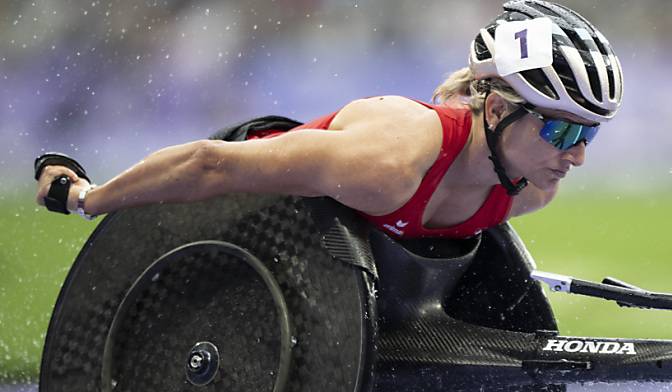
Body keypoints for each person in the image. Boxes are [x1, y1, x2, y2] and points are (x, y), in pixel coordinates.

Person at [34, 0, 623, 239]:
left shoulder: (527, 194)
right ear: (496, 109)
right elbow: (212, 165)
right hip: (245, 203)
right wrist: (88, 197)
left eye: (587, 133)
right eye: (562, 129)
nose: (577, 156)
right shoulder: (388, 162)